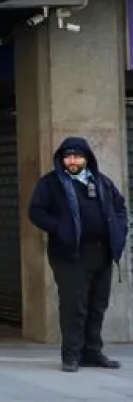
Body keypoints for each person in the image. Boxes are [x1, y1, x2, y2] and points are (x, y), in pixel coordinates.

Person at [28, 136, 128, 372]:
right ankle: (71, 355)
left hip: (102, 253)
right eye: (67, 156)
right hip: (71, 256)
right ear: (62, 159)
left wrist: (119, 231)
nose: (72, 160)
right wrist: (60, 228)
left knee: (97, 305)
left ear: (86, 158)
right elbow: (36, 211)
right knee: (75, 306)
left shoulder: (102, 183)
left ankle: (93, 352)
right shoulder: (51, 183)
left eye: (77, 156)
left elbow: (120, 208)